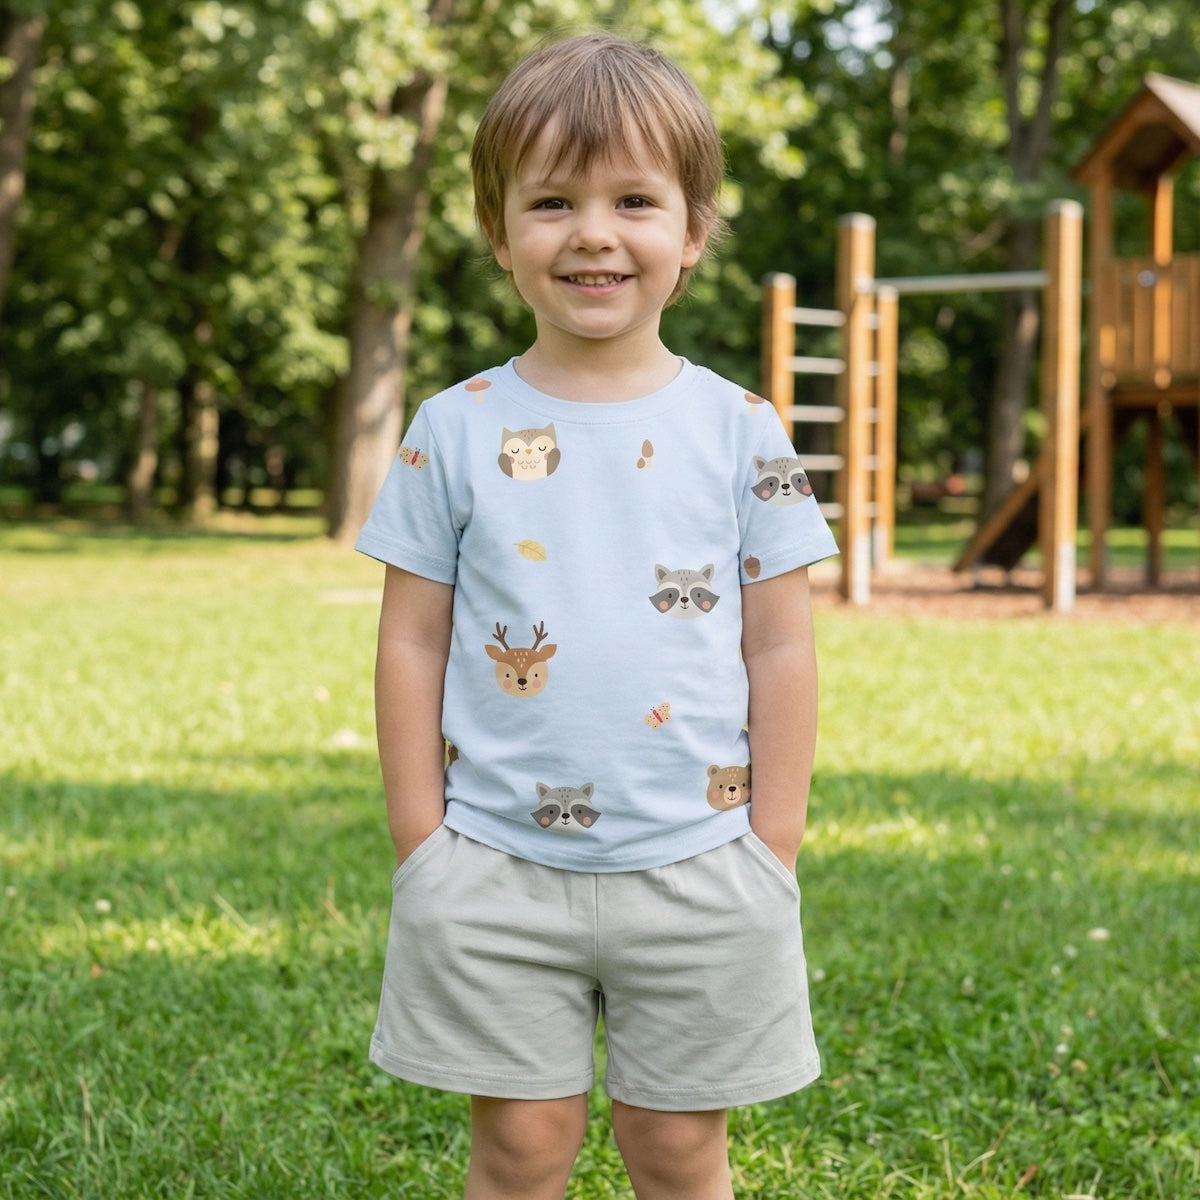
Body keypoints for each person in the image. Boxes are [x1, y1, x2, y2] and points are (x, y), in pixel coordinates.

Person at [356, 31, 838, 1200]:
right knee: (521, 1149)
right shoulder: (451, 427)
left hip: (701, 863)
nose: (593, 233)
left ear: (692, 231)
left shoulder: (744, 430)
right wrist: (423, 837)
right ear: (498, 230)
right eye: (552, 201)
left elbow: (781, 643)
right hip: (496, 864)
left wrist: (771, 844)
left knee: (679, 1152)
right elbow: (411, 637)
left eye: (635, 199)